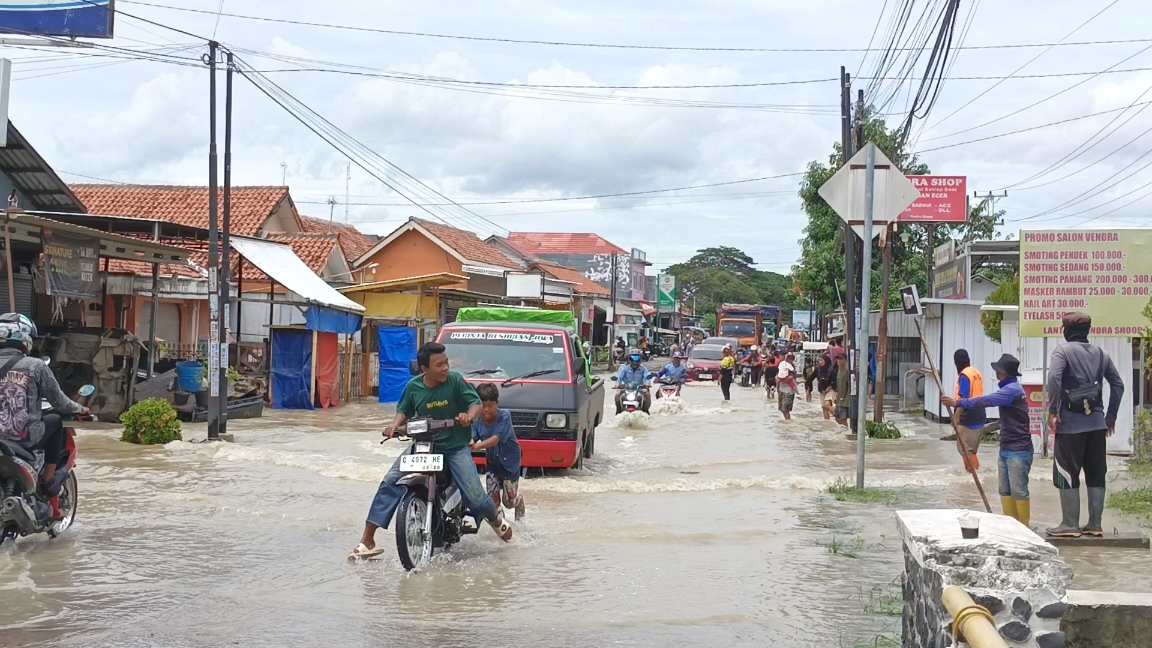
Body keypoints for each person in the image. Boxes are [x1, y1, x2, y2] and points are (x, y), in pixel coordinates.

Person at [351, 342, 510, 559]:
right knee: (390, 481)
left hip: (454, 448)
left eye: (446, 363)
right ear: (425, 369)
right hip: (424, 446)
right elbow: (403, 410)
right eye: (439, 365)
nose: (445, 368)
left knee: (475, 498)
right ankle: (367, 540)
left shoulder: (455, 381)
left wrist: (469, 417)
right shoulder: (413, 387)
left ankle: (495, 519)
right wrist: (394, 426)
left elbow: (475, 403)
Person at [1045, 312, 1125, 539]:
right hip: (1098, 425)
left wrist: (1053, 410)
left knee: (1066, 472)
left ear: (1066, 331)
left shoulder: (1062, 351)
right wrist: (1110, 418)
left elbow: (1054, 379)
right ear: (1087, 331)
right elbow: (1118, 385)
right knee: (1096, 473)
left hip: (1070, 425)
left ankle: (1070, 524)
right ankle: (1094, 524)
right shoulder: (1101, 353)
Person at [0, 313, 87, 519]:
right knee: (56, 420)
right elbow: (60, 402)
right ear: (24, 337)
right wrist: (81, 409)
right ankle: (48, 480)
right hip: (24, 437)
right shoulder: (35, 365)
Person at [943, 354, 1033, 527]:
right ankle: (1011, 526)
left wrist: (957, 403)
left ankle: (1024, 527)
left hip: (1018, 449)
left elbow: (988, 400)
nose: (996, 373)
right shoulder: (1009, 388)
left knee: (1018, 491)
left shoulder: (1012, 390)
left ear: (1003, 373)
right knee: (1005, 490)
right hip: (1007, 446)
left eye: (998, 370)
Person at [471, 383, 525, 521]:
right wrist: (468, 443)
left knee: (509, 502)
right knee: (493, 500)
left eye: (490, 406)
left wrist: (477, 447)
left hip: (509, 464)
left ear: (497, 403)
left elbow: (495, 439)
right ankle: (502, 530)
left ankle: (518, 500)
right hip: (493, 464)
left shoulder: (505, 416)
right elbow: (472, 438)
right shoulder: (478, 420)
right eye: (483, 406)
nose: (486, 410)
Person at [951, 349, 987, 473]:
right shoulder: (975, 372)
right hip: (980, 414)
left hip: (968, 416)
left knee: (965, 448)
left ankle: (974, 476)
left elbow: (964, 398)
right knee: (970, 450)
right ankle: (974, 475)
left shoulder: (965, 375)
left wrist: (956, 417)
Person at [776, 352, 798, 421]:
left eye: (791, 358)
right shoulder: (782, 366)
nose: (789, 360)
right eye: (788, 358)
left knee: (785, 408)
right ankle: (788, 420)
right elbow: (777, 377)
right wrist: (778, 388)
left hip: (789, 391)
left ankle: (788, 420)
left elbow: (792, 379)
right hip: (781, 389)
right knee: (782, 408)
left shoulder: (792, 369)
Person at [834, 353, 850, 427]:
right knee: (837, 418)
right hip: (840, 399)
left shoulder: (847, 371)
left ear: (845, 360)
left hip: (845, 400)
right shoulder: (839, 370)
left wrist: (843, 399)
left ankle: (846, 433)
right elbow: (839, 387)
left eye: (840, 359)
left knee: (843, 419)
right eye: (837, 359)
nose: (838, 361)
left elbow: (847, 387)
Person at [816, 354, 834, 419]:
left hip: (830, 389)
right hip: (821, 390)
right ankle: (827, 422)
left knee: (827, 405)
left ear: (826, 361)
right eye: (819, 360)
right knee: (823, 407)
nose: (820, 362)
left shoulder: (831, 369)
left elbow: (834, 380)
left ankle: (838, 416)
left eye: (821, 360)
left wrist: (829, 387)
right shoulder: (818, 369)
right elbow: (812, 378)